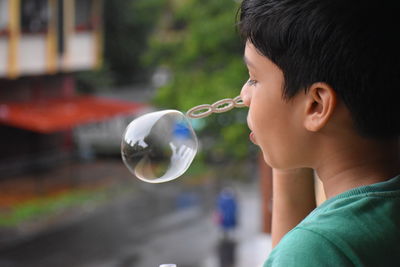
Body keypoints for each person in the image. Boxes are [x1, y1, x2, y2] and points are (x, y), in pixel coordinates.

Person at [237, 0, 400, 266]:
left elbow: (302, 250)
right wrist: (286, 140)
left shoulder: (316, 249)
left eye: (254, 79)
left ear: (316, 105)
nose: (244, 96)